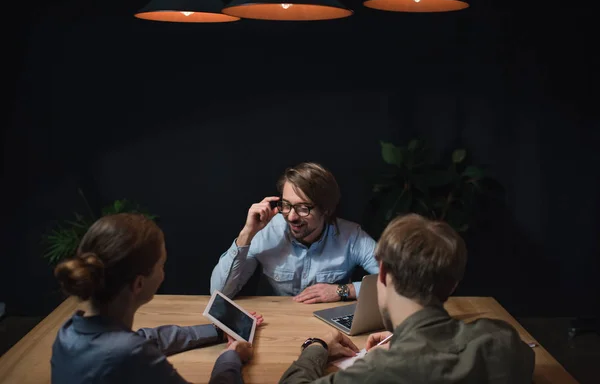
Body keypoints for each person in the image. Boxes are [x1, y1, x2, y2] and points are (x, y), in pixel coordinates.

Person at [278, 214, 535, 384]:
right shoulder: (504, 343)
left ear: (383, 274)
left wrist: (316, 347)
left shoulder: (376, 372)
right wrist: (402, 342)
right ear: (453, 285)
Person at [51, 213, 263, 384]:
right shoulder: (130, 354)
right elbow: (134, 348)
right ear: (139, 284)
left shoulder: (68, 333)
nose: (164, 272)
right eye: (161, 265)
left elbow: (146, 338)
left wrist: (216, 330)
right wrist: (231, 357)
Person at [210, 162, 379, 304]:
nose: (291, 217)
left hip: (328, 327)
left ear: (326, 210)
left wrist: (343, 290)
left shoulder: (351, 236)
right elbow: (219, 294)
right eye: (286, 205)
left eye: (303, 208)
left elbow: (396, 282)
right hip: (275, 326)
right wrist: (247, 233)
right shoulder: (266, 231)